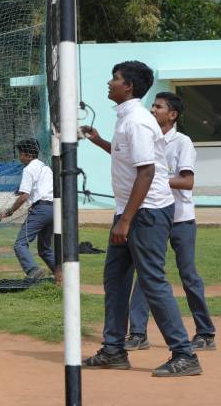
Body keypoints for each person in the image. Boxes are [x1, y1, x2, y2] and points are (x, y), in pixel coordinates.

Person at [80, 62, 201, 376]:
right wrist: (98, 141)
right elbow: (129, 161)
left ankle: (185, 355)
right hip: (130, 211)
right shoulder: (127, 120)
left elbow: (147, 172)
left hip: (146, 213)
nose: (110, 82)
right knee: (115, 279)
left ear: (128, 86)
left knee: (152, 281)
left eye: (115, 78)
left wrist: (126, 220)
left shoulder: (136, 121)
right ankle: (113, 350)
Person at [123, 92, 214, 352]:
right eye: (152, 105)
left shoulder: (182, 142)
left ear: (172, 115)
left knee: (188, 276)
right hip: (154, 216)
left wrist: (152, 179)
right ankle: (138, 333)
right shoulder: (148, 139)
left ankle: (205, 333)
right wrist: (98, 141)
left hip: (180, 219)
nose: (153, 110)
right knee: (147, 275)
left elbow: (187, 182)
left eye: (159, 107)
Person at [0, 138, 56, 280]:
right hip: (54, 209)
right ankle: (62, 274)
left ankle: (33, 270)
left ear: (28, 155)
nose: (20, 158)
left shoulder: (28, 169)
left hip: (41, 210)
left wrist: (9, 211)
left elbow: (24, 197)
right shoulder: (46, 167)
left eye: (21, 154)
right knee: (44, 249)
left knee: (20, 244)